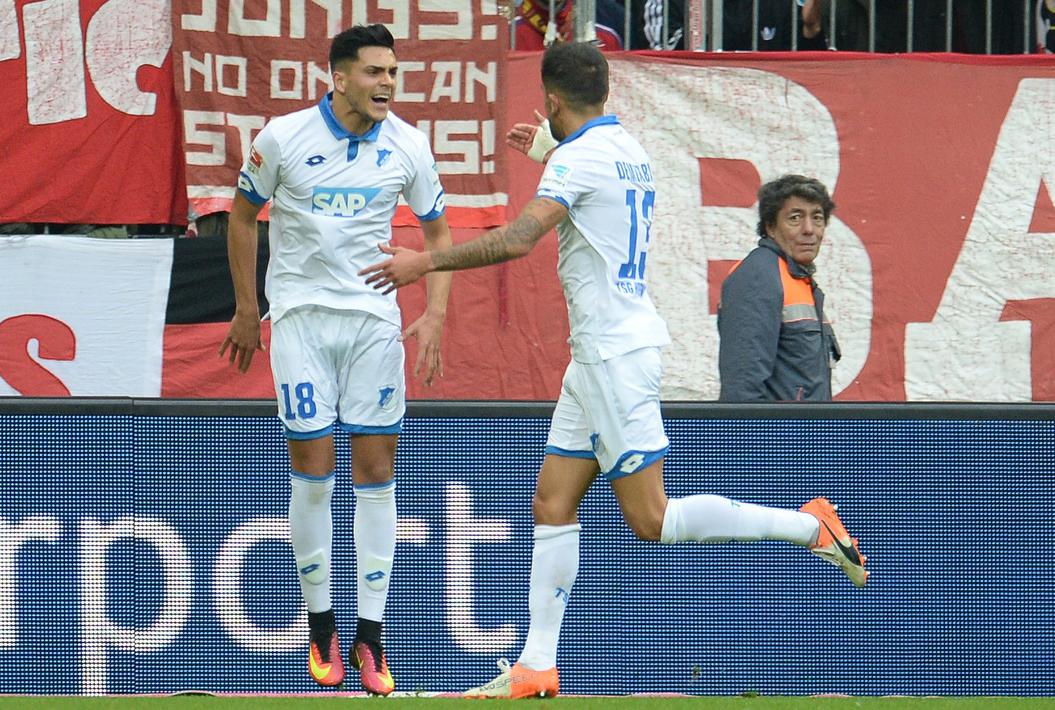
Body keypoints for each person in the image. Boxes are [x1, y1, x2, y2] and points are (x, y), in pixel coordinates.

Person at [359, 41, 867, 699]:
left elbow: (518, 238)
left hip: (612, 356)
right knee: (552, 499)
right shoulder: (626, 148)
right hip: (601, 353)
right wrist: (549, 151)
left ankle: (810, 527)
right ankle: (537, 665)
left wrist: (422, 262)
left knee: (651, 519)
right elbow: (596, 197)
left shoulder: (579, 158)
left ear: (551, 100)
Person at [218, 24, 453, 697]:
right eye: (374, 72)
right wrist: (244, 308)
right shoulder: (283, 139)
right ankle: (320, 625)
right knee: (312, 471)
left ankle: (370, 639)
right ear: (339, 78)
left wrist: (433, 313)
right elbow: (241, 216)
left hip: (374, 323)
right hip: (299, 321)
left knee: (377, 472)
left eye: (392, 73)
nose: (387, 84)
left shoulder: (408, 144)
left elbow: (436, 233)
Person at [717, 175, 841, 402]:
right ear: (770, 227)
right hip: (778, 436)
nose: (809, 229)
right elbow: (741, 390)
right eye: (795, 218)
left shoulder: (796, 277)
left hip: (806, 434)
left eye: (817, 218)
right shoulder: (758, 277)